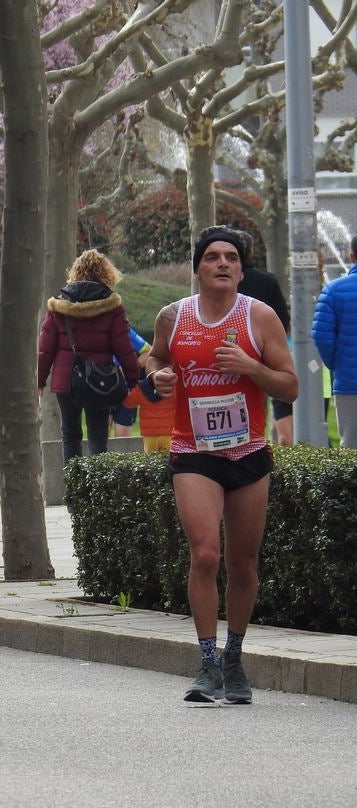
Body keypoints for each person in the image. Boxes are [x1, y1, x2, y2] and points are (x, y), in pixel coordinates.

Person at [146, 227, 297, 704]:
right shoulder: (174, 317)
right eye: (212, 257)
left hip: (248, 451)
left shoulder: (260, 317)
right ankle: (207, 662)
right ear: (198, 268)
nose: (223, 264)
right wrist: (158, 375)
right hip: (194, 451)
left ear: (241, 268)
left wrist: (251, 367)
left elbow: (290, 387)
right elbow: (153, 358)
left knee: (243, 563)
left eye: (231, 257)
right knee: (206, 554)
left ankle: (235, 656)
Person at [37, 249, 140, 464]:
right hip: (100, 380)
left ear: (75, 272)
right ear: (106, 274)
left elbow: (45, 348)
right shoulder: (113, 307)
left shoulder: (58, 305)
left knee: (70, 433)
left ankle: (74, 489)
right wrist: (132, 378)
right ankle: (96, 490)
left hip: (66, 381)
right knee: (98, 437)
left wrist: (39, 380)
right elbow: (123, 347)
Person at [231, 229, 293, 445]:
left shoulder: (218, 281)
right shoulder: (267, 281)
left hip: (225, 351)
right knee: (259, 401)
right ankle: (256, 441)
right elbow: (283, 321)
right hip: (261, 353)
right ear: (251, 252)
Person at [312, 233, 357, 447]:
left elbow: (321, 336)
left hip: (349, 382)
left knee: (351, 449)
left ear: (351, 256)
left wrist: (337, 364)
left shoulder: (333, 290)